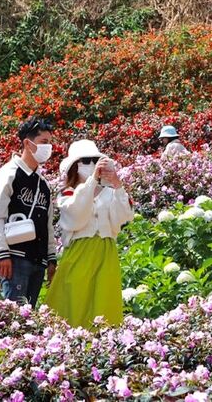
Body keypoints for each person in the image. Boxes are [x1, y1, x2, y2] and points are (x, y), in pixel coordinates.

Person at [46, 139, 134, 328]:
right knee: (75, 303)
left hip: (105, 253)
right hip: (79, 253)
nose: (92, 164)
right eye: (86, 160)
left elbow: (123, 217)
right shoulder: (67, 193)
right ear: (74, 166)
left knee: (104, 304)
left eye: (95, 159)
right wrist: (93, 180)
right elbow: (76, 216)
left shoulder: (110, 192)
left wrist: (117, 185)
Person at [0, 118, 56, 308]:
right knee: (14, 318)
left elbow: (47, 224)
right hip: (14, 259)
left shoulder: (44, 184)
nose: (48, 147)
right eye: (43, 142)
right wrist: (1, 253)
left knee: (30, 318)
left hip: (38, 261)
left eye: (49, 142)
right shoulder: (7, 175)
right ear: (27, 143)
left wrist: (51, 258)